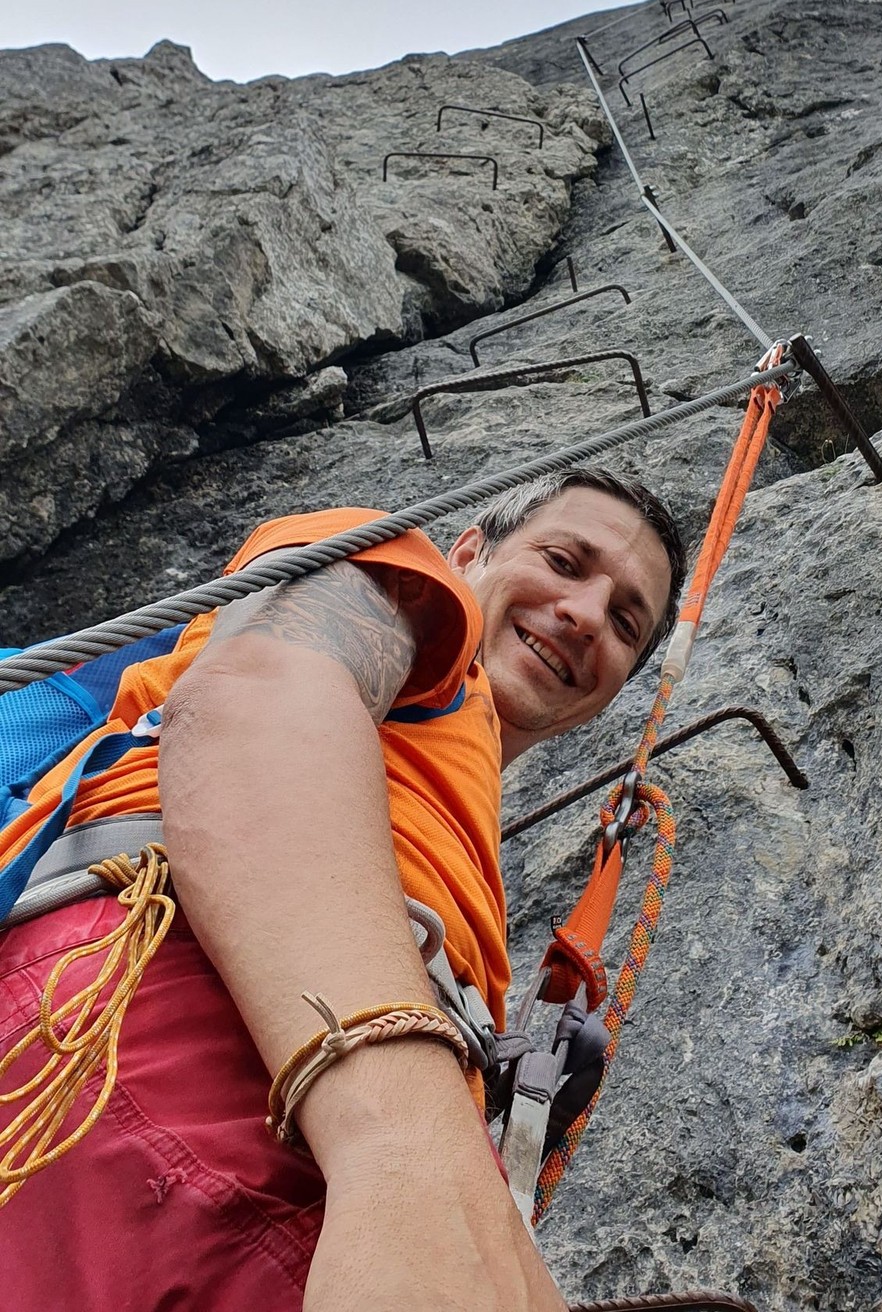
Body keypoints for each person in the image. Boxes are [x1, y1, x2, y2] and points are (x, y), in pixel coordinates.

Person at [0, 467, 685, 1312]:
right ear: (468, 551)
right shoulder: (395, 570)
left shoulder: (450, 804)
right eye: (563, 560)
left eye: (625, 621)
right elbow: (258, 695)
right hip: (180, 1026)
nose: (584, 615)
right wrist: (408, 1143)